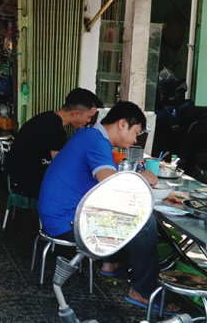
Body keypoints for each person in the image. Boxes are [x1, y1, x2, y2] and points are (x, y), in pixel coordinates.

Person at [38, 101, 179, 313]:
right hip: (66, 221)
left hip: (56, 215)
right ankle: (141, 290)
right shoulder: (96, 141)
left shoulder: (88, 135)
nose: (134, 140)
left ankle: (111, 263)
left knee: (125, 214)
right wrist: (143, 176)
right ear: (123, 124)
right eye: (136, 132)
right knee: (144, 221)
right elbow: (111, 186)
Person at [5, 88, 104, 198]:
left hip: (17, 175)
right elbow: (61, 167)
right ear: (76, 113)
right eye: (89, 117)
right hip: (25, 181)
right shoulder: (55, 129)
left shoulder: (48, 118)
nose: (89, 121)